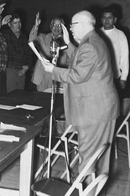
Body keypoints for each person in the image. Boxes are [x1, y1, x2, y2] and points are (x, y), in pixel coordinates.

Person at [41, 10, 119, 177]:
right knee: (100, 158)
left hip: (94, 112)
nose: (69, 29)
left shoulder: (90, 45)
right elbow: (81, 59)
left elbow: (77, 74)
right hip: (101, 109)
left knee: (88, 158)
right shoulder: (93, 41)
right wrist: (69, 44)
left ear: (82, 25)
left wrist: (52, 70)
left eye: (72, 25)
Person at [29, 13, 69, 92]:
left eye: (59, 25)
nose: (56, 28)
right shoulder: (43, 37)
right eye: (54, 25)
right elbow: (31, 41)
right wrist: (36, 26)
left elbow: (70, 62)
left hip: (58, 78)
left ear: (63, 27)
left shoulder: (67, 43)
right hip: (42, 77)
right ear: (50, 26)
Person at [98, 7, 129, 95]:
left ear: (115, 20)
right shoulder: (96, 34)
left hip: (114, 76)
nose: (107, 20)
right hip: (99, 75)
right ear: (101, 19)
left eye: (110, 17)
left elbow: (124, 57)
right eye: (104, 17)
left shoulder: (120, 35)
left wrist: (124, 78)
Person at [1, 13, 32, 92]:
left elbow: (29, 54)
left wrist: (27, 66)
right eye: (15, 23)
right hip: (9, 71)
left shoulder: (24, 37)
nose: (18, 25)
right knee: (10, 96)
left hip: (22, 72)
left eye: (19, 22)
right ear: (9, 24)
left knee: (20, 96)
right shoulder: (4, 35)